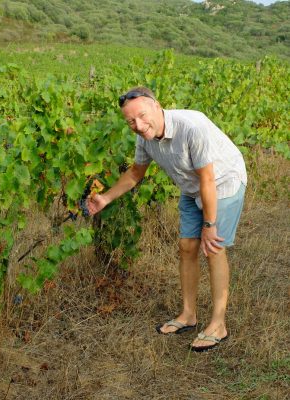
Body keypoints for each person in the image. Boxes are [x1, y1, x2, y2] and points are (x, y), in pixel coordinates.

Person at [87, 87, 247, 352]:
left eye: (142, 115)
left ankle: (218, 324)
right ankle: (188, 315)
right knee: (186, 246)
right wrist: (106, 198)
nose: (138, 125)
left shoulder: (191, 126)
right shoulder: (145, 138)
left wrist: (209, 224)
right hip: (192, 186)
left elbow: (208, 178)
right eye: (130, 121)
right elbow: (136, 173)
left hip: (223, 181)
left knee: (213, 248)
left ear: (157, 105)